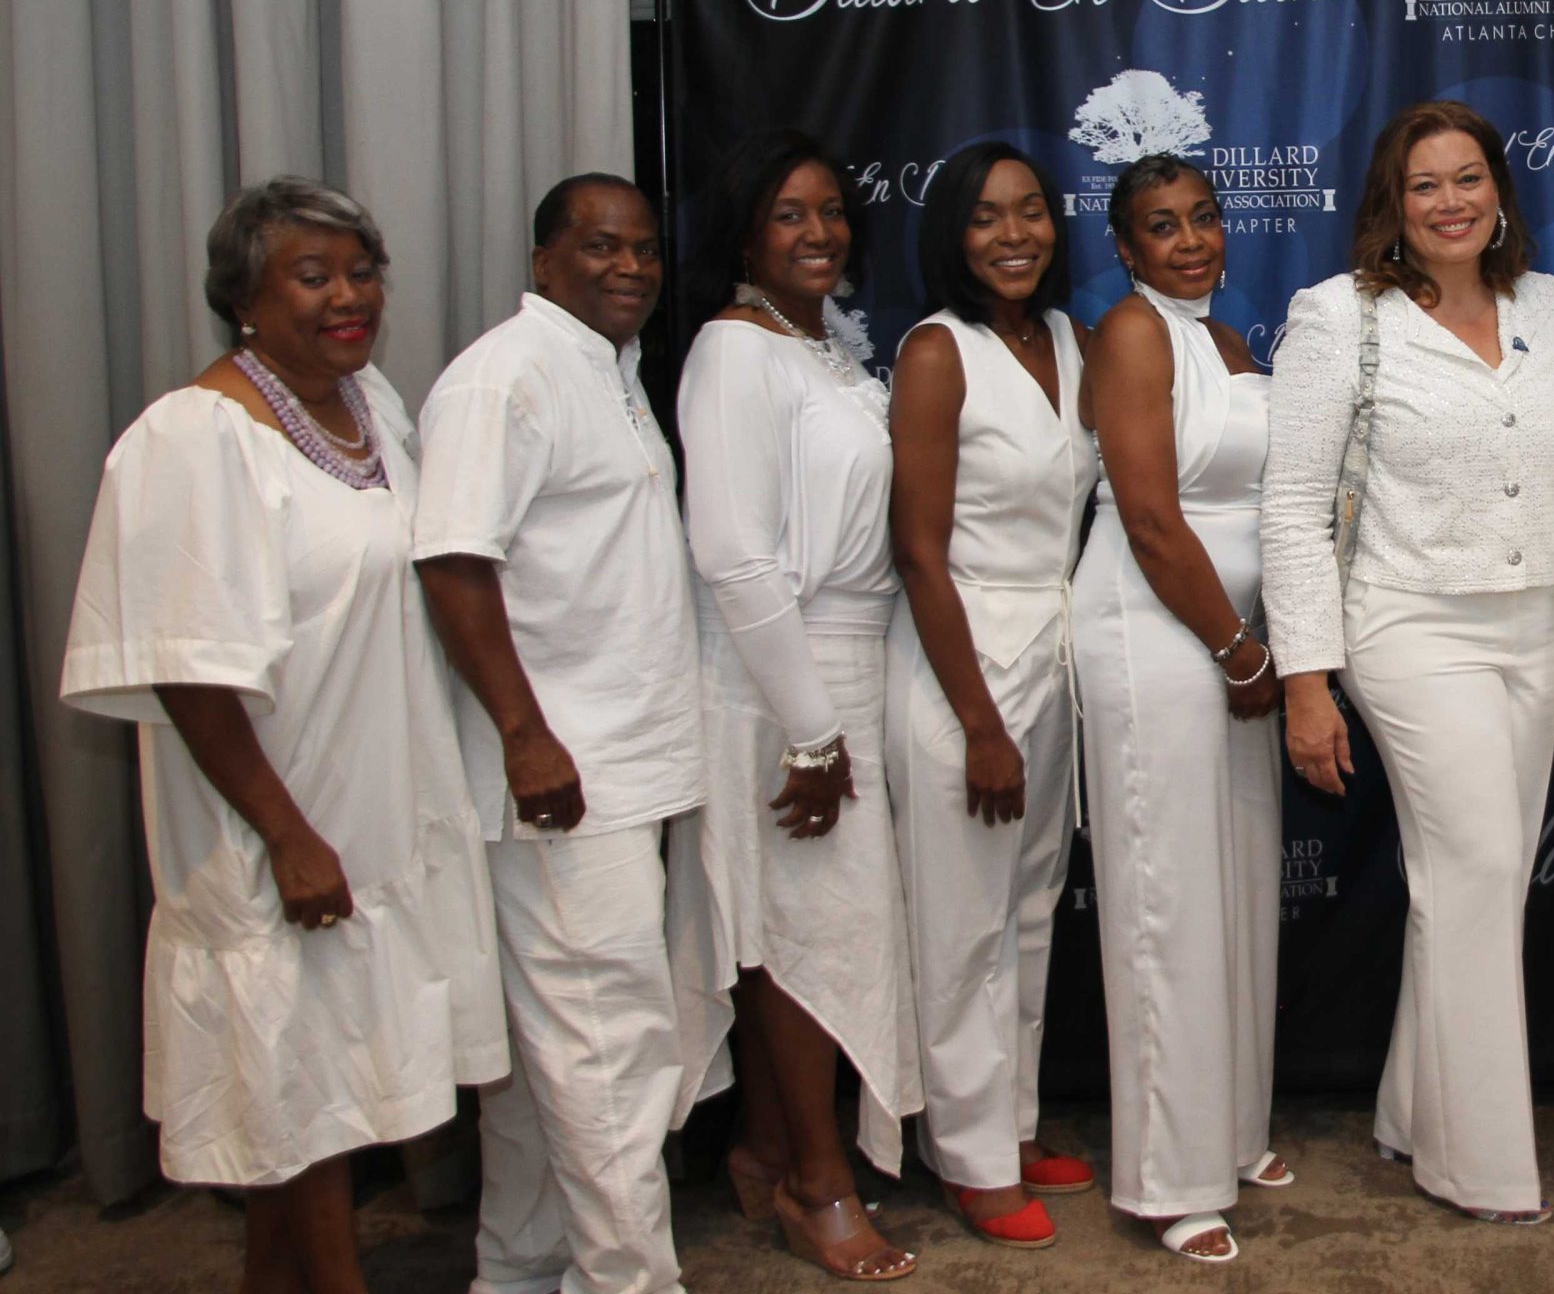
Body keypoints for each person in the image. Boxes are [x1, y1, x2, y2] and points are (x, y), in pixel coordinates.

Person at [60, 178, 507, 1294]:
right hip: (277, 824)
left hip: (377, 808)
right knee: (299, 1092)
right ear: (245, 299)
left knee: (322, 1098)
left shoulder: (369, 408)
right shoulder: (193, 437)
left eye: (362, 272)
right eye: (313, 277)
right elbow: (184, 666)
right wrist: (287, 835)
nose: (348, 297)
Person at [1263, 99, 1554, 1224]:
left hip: (1539, 623)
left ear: (1500, 191)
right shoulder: (1340, 316)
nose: (1450, 202)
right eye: (1425, 184)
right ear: (1391, 205)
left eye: (1468, 178)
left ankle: (1409, 1107)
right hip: (1410, 626)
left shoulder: (1549, 307)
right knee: (1478, 870)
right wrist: (1305, 681)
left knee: (1473, 884)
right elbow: (1293, 508)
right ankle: (1477, 1163)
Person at [414, 174, 706, 1294]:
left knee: (552, 1061)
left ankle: (522, 1269)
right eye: (600, 247)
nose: (630, 267)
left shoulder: (610, 370)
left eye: (645, 248)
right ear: (543, 262)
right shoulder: (506, 377)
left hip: (619, 765)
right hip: (561, 776)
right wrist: (525, 735)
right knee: (610, 1051)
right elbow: (454, 561)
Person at [672, 132, 922, 1279]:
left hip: (849, 667)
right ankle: (818, 1183)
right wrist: (811, 734)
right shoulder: (733, 352)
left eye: (829, 211)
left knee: (811, 933)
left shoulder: (819, 350)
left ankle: (769, 1148)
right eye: (788, 213)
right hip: (785, 682)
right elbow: (733, 555)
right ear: (742, 236)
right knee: (809, 938)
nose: (818, 232)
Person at [1072, 154, 1288, 1263]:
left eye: (1203, 217)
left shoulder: (1227, 341)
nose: (1191, 240)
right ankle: (1167, 1178)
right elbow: (1152, 520)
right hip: (1156, 635)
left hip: (1231, 644)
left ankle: (1232, 1129)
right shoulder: (1131, 333)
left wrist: (1256, 651)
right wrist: (1238, 651)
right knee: (1166, 902)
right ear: (1124, 248)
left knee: (1234, 888)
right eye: (1162, 226)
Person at [884, 141, 1098, 1250]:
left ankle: (1008, 1124)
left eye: (1030, 212)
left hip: (1049, 654)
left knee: (1026, 911)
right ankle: (967, 1157)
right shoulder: (937, 351)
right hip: (960, 660)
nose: (1013, 235)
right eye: (984, 217)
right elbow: (917, 551)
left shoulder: (1067, 338)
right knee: (962, 923)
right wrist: (978, 722)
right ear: (951, 236)